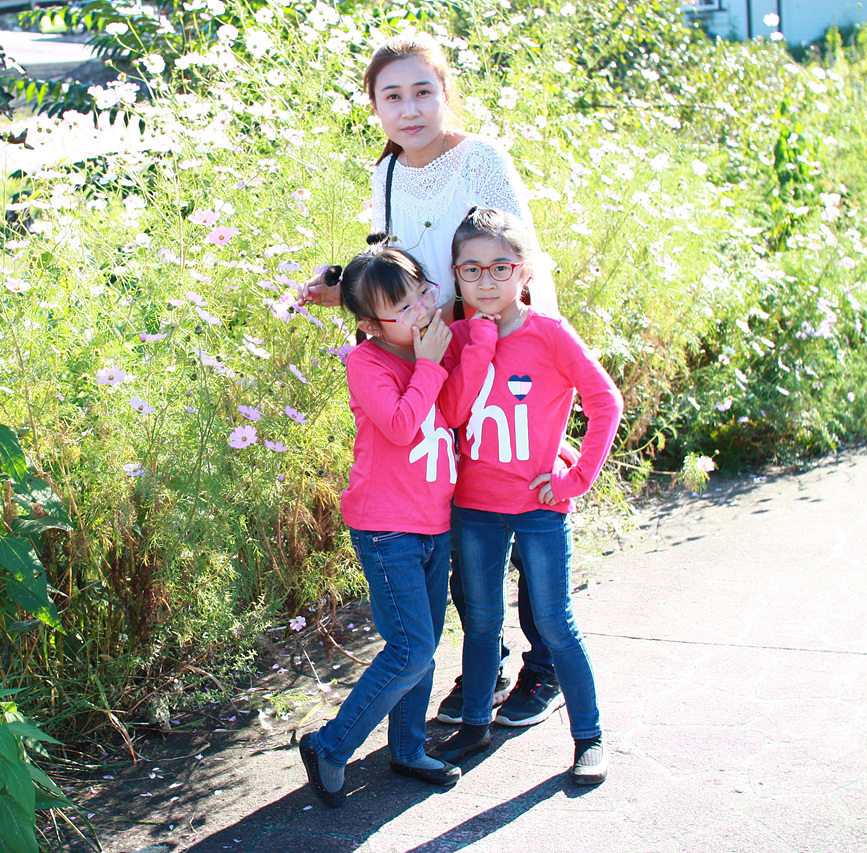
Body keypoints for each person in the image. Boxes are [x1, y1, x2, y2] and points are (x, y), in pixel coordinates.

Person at [299, 32, 566, 732]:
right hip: (438, 367)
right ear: (375, 107)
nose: (409, 109)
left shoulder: (481, 160)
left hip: (505, 360)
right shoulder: (387, 171)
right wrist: (344, 287)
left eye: (423, 91)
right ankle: (487, 662)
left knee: (525, 514)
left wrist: (542, 367)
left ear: (446, 93)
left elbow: (522, 261)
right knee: (461, 518)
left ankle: (545, 668)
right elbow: (395, 267)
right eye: (392, 96)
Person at [431, 208, 623, 785]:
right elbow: (452, 412)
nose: (486, 281)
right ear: (456, 275)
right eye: (471, 269)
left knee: (556, 623)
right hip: (475, 506)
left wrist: (576, 478)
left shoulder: (551, 334)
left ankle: (589, 736)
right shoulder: (458, 337)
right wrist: (479, 342)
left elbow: (605, 402)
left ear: (526, 271)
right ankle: (474, 726)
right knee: (481, 621)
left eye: (501, 267)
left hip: (541, 506)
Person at [299, 241, 492, 807]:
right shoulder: (368, 363)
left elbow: (453, 412)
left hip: (432, 521)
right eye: (403, 308)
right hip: (386, 528)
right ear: (370, 325)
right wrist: (430, 364)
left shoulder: (432, 348)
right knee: (410, 647)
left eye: (422, 295)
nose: (422, 310)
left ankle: (407, 748)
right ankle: (329, 745)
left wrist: (470, 343)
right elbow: (403, 425)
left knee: (422, 646)